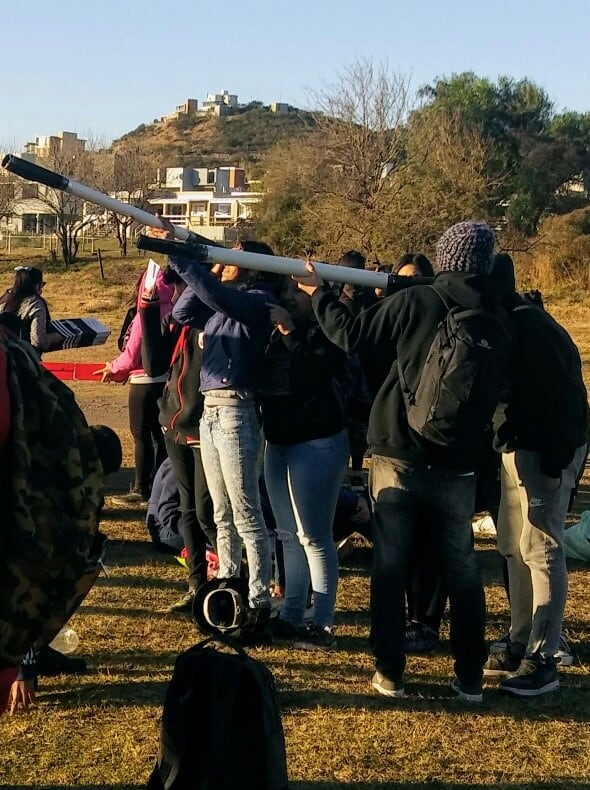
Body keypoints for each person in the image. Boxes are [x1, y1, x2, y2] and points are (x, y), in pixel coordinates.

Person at [295, 220, 506, 702]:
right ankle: (470, 677)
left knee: (390, 565)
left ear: (445, 259)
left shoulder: (419, 300)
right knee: (463, 568)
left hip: (399, 451)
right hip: (460, 463)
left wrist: (320, 292)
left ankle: (390, 671)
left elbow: (351, 335)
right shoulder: (497, 313)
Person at [164, 235, 280, 645]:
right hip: (211, 410)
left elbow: (218, 299)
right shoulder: (225, 296)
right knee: (221, 511)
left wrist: (185, 261)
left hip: (236, 410)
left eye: (233, 257)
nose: (226, 262)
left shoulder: (258, 300)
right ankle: (227, 584)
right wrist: (208, 269)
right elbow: (181, 310)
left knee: (246, 510)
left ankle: (258, 599)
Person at [483, 252, 588, 696]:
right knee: (513, 545)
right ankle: (520, 636)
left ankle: (542, 656)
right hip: (517, 443)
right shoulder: (508, 322)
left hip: (544, 446)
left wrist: (553, 459)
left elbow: (562, 398)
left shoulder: (531, 328)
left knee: (542, 546)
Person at [261, 278, 349, 650]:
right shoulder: (270, 330)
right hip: (277, 440)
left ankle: (323, 622)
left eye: (297, 291)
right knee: (286, 534)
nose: (288, 296)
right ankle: (292, 612)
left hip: (317, 440)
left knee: (314, 534)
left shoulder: (327, 330)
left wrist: (289, 331)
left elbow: (316, 371)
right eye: (286, 290)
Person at [140, 266, 217, 612]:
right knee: (188, 510)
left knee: (207, 511)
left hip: (204, 425)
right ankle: (196, 584)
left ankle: (233, 579)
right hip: (174, 423)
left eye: (181, 285)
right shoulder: (178, 321)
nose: (176, 292)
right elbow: (153, 362)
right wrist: (147, 309)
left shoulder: (215, 314)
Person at [99, 267, 174, 505]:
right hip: (167, 380)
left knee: (141, 435)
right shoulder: (174, 309)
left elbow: (132, 352)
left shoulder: (146, 312)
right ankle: (161, 488)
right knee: (161, 437)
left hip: (143, 381)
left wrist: (114, 368)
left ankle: (141, 489)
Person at [0, 266, 63, 355]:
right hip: (21, 360)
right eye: (41, 285)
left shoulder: (4, 300)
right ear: (37, 286)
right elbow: (38, 341)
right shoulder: (35, 304)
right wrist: (56, 337)